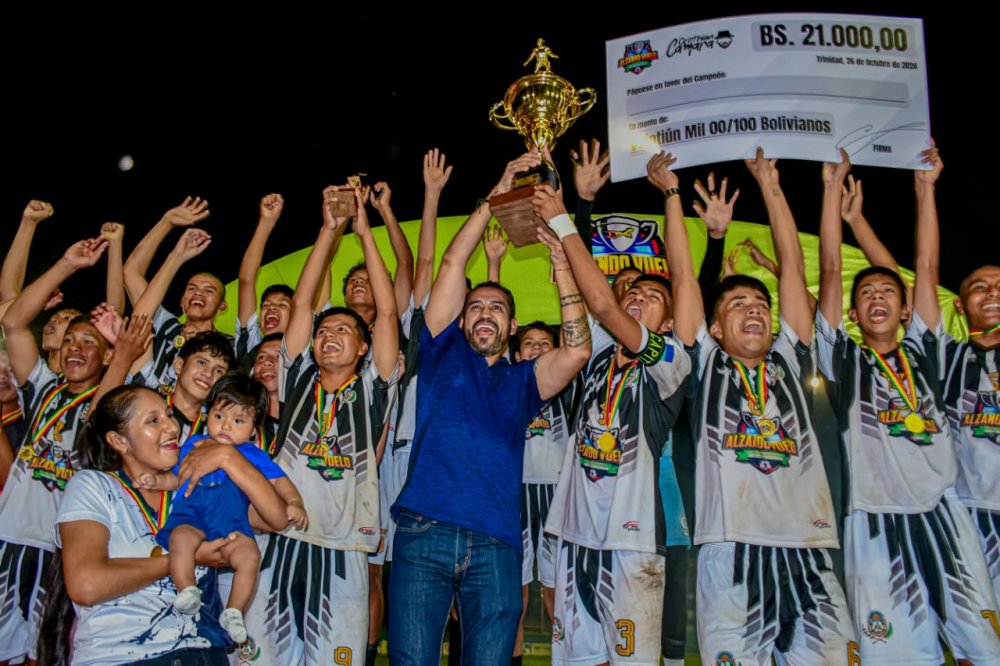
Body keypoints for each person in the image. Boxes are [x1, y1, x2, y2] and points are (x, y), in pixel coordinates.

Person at [388, 150, 591, 664]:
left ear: (511, 326)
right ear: (460, 320)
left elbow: (576, 351)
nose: (484, 313)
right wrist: (497, 194)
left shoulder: (524, 381)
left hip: (498, 544)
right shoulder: (441, 351)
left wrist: (563, 267)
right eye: (475, 306)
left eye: (497, 308)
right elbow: (451, 263)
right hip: (424, 531)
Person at [817, 142, 1000, 665]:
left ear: (905, 311)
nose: (877, 297)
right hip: (873, 521)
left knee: (980, 648)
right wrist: (831, 188)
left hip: (945, 512)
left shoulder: (929, 351)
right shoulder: (842, 359)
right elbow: (830, 268)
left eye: (888, 292)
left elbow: (925, 264)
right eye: (866, 294)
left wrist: (925, 187)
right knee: (898, 657)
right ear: (853, 315)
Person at [686, 149, 856, 665]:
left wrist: (770, 184)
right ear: (715, 329)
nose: (754, 310)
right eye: (737, 305)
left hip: (809, 549)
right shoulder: (706, 364)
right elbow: (685, 282)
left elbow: (795, 266)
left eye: (761, 305)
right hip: (731, 549)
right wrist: (677, 202)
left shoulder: (789, 356)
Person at [533, 151, 696, 665]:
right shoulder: (600, 352)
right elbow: (588, 302)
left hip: (633, 541)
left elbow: (603, 302)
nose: (637, 296)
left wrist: (564, 219)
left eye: (652, 296)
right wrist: (563, 252)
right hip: (575, 534)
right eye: (634, 291)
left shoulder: (670, 361)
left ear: (665, 324)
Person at [242, 184, 399, 664]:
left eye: (344, 330)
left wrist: (363, 230)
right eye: (324, 331)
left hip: (344, 546)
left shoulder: (375, 387)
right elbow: (304, 303)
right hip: (280, 537)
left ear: (364, 347)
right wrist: (328, 230)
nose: (330, 335)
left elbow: (388, 310)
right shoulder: (297, 379)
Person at [45, 385, 290, 665]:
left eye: (169, 415)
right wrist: (180, 560)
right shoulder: (95, 486)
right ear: (119, 441)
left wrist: (229, 457)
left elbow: (277, 518)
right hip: (123, 657)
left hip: (203, 653)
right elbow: (86, 585)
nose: (172, 427)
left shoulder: (194, 485)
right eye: (153, 420)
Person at [0, 235, 117, 665]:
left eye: (89, 342)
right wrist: (67, 263)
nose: (75, 348)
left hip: (58, 549)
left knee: (43, 654)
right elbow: (14, 323)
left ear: (107, 357)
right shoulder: (43, 389)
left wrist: (121, 348)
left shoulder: (109, 404)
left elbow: (111, 389)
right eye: (70, 340)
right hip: (9, 535)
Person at [136, 373, 306, 643]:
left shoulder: (254, 456)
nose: (226, 426)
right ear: (207, 416)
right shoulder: (194, 444)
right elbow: (178, 477)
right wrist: (156, 481)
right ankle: (187, 589)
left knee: (249, 556)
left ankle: (234, 611)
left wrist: (295, 503)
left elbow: (281, 483)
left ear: (253, 430)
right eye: (218, 416)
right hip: (191, 517)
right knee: (180, 538)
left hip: (231, 524)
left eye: (238, 421)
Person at [513, 321, 572, 659]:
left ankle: (569, 658)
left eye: (545, 343)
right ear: (516, 354)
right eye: (529, 342)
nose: (536, 347)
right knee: (515, 596)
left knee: (557, 593)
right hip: (515, 494)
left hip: (556, 497)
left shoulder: (568, 388)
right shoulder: (506, 385)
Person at [942, 264, 1000, 598]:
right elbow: (903, 284)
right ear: (960, 305)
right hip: (967, 512)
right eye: (980, 287)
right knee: (980, 619)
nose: (993, 292)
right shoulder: (947, 357)